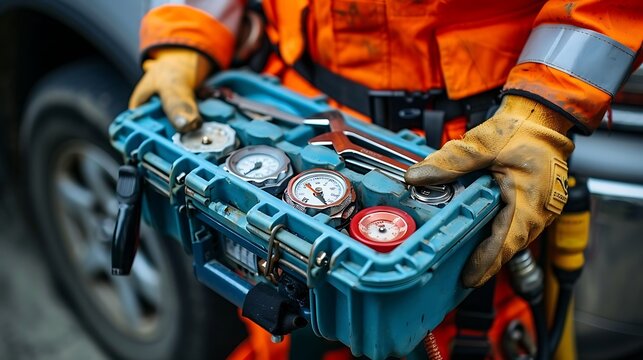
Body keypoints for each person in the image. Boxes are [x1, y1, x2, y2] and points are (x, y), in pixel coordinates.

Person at [129, 1, 642, 357]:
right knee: (282, 316)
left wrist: (544, 110)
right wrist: (187, 30)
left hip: (474, 151)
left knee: (464, 332)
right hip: (288, 111)